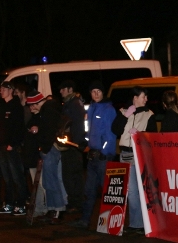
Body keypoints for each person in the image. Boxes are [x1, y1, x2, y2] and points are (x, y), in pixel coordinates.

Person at [70, 81, 117, 229]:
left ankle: (111, 222)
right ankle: (85, 220)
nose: (96, 94)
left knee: (107, 191)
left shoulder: (108, 109)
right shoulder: (91, 108)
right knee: (89, 190)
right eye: (93, 91)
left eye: (98, 91)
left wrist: (104, 152)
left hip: (103, 157)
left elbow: (110, 134)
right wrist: (86, 142)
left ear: (103, 93)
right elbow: (89, 130)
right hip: (92, 155)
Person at [111, 86, 157, 235]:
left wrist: (140, 135)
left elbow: (152, 136)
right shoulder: (124, 112)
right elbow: (115, 130)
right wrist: (124, 116)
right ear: (135, 98)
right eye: (143, 96)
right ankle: (137, 223)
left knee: (137, 190)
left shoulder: (149, 114)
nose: (146, 99)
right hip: (125, 154)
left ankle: (139, 223)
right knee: (130, 191)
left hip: (139, 154)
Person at [27, 92, 67, 224]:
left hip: (49, 150)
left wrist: (44, 148)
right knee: (50, 180)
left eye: (31, 105)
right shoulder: (49, 109)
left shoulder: (48, 111)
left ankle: (56, 210)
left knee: (51, 180)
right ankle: (54, 209)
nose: (31, 109)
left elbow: (48, 132)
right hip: (50, 149)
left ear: (36, 102)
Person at [0, 82, 29, 215]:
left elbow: (19, 128)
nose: (1, 91)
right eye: (1, 88)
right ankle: (9, 203)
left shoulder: (16, 107)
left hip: (12, 148)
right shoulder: (1, 106)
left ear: (11, 90)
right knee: (7, 177)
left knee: (17, 176)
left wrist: (13, 144)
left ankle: (21, 204)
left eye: (4, 89)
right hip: (1, 146)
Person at [58, 80, 86, 212]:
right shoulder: (70, 103)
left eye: (63, 89)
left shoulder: (74, 104)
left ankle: (76, 203)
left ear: (70, 89)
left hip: (73, 145)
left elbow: (78, 126)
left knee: (73, 175)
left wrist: (77, 143)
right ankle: (74, 202)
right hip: (69, 143)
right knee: (70, 174)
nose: (60, 91)